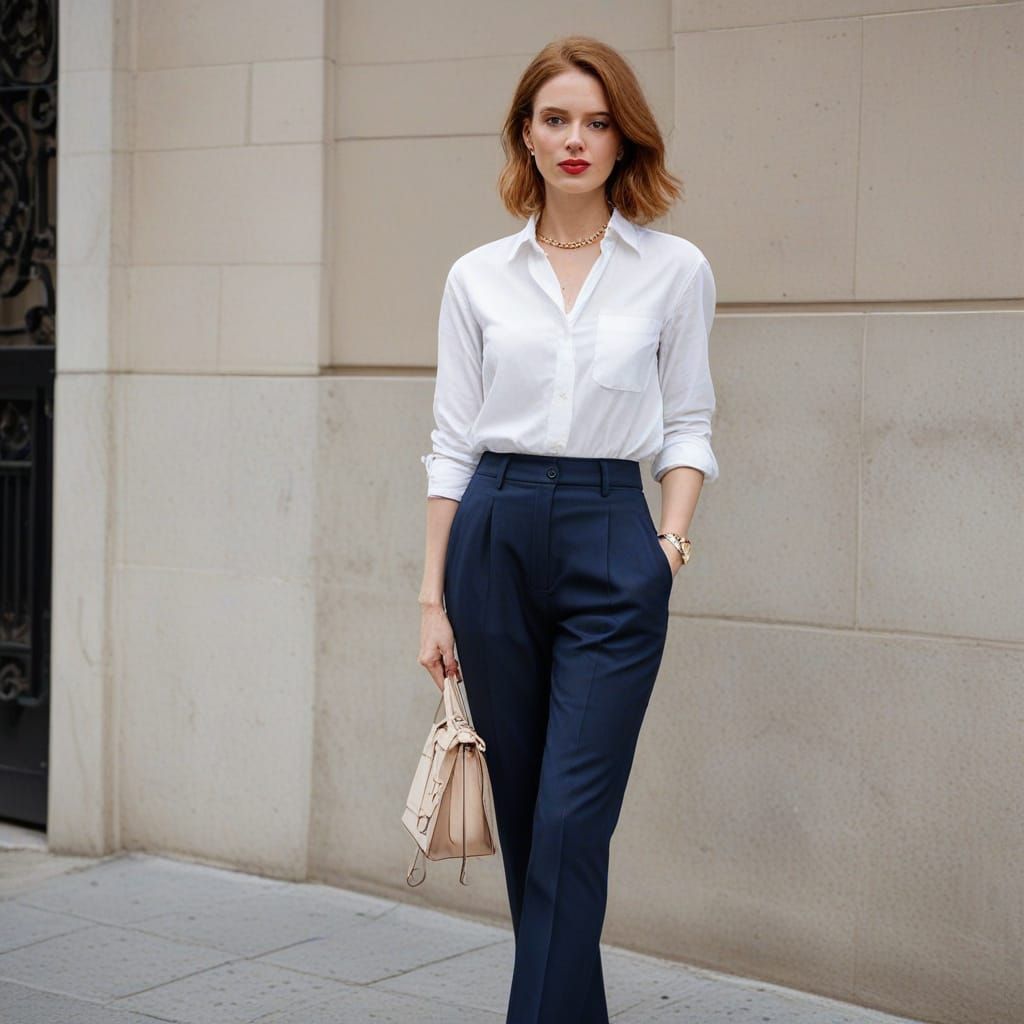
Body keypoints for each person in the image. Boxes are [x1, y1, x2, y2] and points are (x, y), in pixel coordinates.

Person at [417, 34, 719, 1024]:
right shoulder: (477, 277)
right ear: (526, 134)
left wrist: (665, 547)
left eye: (596, 119)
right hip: (492, 534)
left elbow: (689, 423)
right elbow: (449, 445)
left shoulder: (672, 270)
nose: (576, 138)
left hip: (610, 534)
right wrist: (433, 597)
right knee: (527, 817)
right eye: (555, 118)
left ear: (623, 135)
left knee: (570, 820)